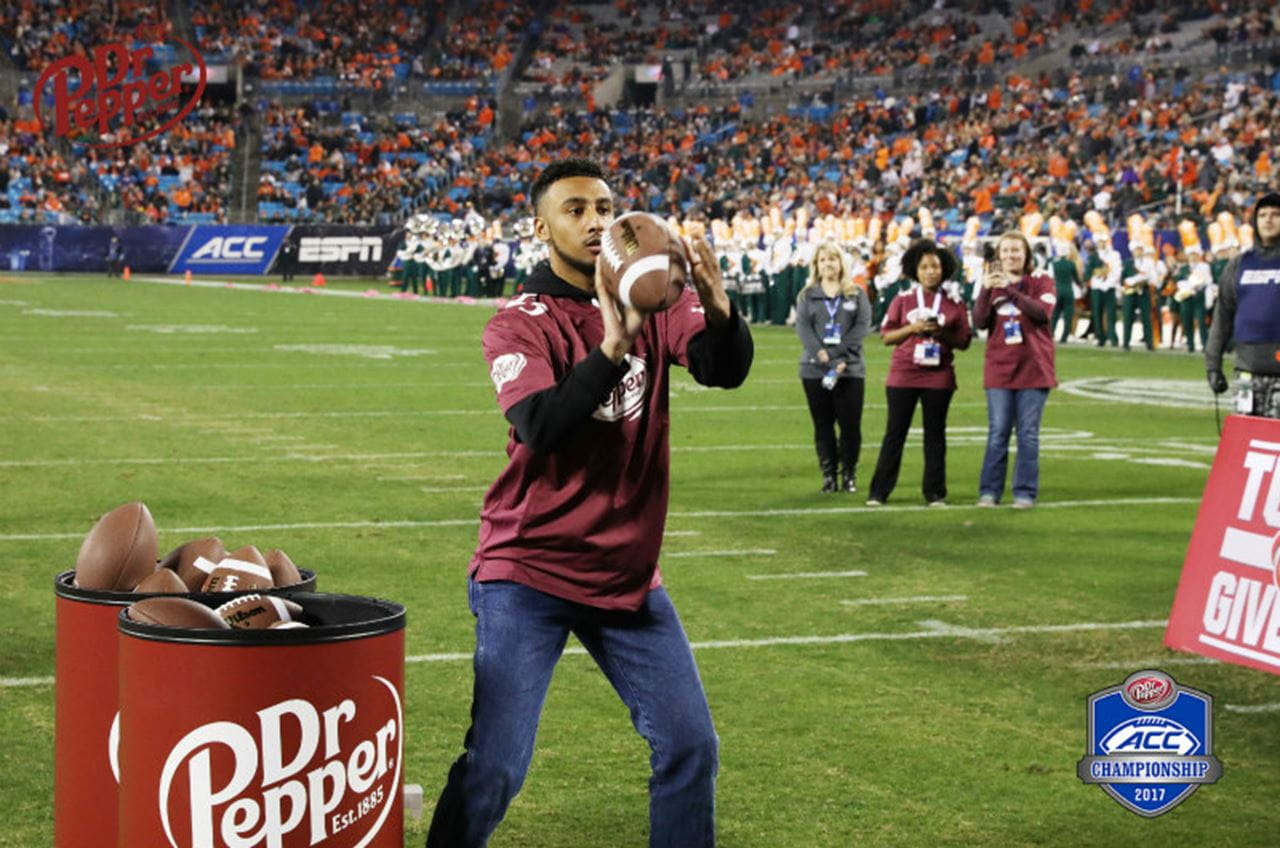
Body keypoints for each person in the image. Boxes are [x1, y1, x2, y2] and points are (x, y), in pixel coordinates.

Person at [426, 158, 753, 848]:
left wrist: (722, 316)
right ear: (540, 226)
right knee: (496, 768)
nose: (596, 220)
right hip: (528, 569)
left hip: (627, 579)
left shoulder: (657, 296)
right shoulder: (520, 320)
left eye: (604, 207)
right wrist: (611, 345)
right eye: (575, 209)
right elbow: (541, 425)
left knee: (692, 747)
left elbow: (725, 370)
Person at [866, 239, 972, 506]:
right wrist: (912, 329)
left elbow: (964, 341)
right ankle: (879, 492)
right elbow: (887, 336)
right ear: (915, 270)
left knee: (935, 435)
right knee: (895, 432)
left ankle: (935, 493)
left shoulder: (953, 302)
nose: (930, 271)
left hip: (939, 375)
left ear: (944, 269)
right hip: (903, 373)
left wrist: (942, 333)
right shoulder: (903, 299)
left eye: (935, 266)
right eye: (924, 266)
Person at [972, 230, 1058, 508]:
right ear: (998, 255)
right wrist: (987, 288)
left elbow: (1041, 313)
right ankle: (989, 492)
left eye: (1016, 250)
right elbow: (980, 321)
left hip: (1034, 368)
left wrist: (1008, 288)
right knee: (997, 432)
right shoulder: (989, 283)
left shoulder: (1042, 281)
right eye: (1005, 251)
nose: (1011, 255)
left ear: (1027, 255)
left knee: (1028, 433)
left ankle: (1024, 492)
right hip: (999, 368)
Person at [794, 239, 872, 493]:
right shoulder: (807, 295)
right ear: (816, 264)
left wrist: (837, 357)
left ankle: (848, 474)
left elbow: (861, 328)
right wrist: (821, 354)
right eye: (824, 259)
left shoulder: (856, 294)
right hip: (814, 369)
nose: (829, 264)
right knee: (823, 424)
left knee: (850, 425)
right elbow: (803, 329)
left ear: (841, 263)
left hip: (850, 369)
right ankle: (829, 476)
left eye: (833, 258)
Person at [1206, 193, 1280, 417]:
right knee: (1245, 443)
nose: (1268, 220)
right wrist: (1213, 365)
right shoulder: (1239, 264)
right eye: (1262, 215)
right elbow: (1223, 316)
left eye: (1276, 215)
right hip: (1247, 372)